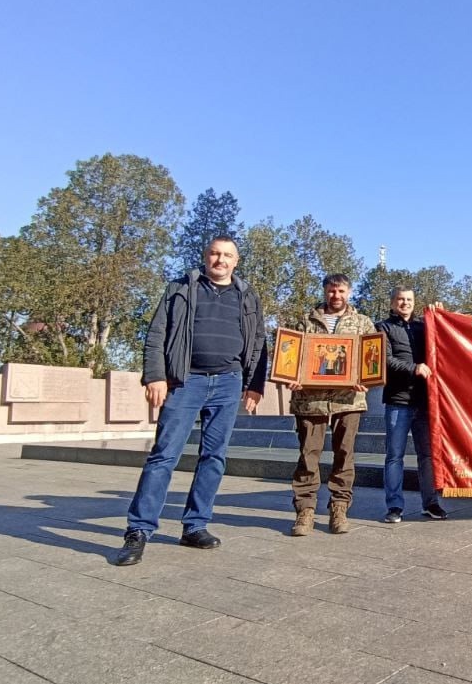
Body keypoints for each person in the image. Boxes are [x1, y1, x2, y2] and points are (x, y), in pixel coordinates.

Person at [116, 235, 268, 566]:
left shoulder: (247, 295)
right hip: (186, 381)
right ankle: (139, 530)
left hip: (229, 382)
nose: (221, 260)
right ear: (205, 256)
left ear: (236, 261)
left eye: (228, 255)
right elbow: (157, 333)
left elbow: (258, 341)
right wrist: (155, 375)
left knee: (214, 456)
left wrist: (255, 384)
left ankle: (195, 525)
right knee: (164, 456)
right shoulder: (181, 288)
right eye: (215, 253)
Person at [289, 274, 375, 535]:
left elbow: (372, 358)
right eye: (331, 291)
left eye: (340, 291)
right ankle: (305, 510)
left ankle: (339, 507)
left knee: (345, 455)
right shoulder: (305, 321)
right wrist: (291, 376)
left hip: (348, 401)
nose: (335, 296)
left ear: (348, 292)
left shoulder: (362, 323)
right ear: (324, 292)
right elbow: (289, 355)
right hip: (310, 401)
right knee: (308, 455)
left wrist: (365, 379)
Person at [376, 288, 447, 524]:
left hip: (424, 402)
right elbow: (384, 359)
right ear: (392, 302)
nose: (405, 303)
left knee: (427, 456)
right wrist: (414, 368)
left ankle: (431, 503)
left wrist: (441, 317)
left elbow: (444, 343)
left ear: (414, 303)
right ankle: (394, 506)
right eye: (400, 299)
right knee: (394, 456)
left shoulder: (423, 326)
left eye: (409, 300)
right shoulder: (383, 327)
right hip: (397, 401)